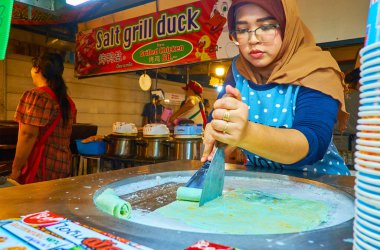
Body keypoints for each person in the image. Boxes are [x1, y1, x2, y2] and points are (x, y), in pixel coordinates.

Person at [201, 0, 350, 176]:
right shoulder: (238, 70)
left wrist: (247, 134)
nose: (253, 39)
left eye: (266, 27)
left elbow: (313, 142)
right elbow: (218, 127)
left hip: (321, 185)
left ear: (287, 26)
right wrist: (220, 135)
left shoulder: (317, 69)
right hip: (262, 187)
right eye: (242, 30)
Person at [10, 52, 77, 184]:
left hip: (42, 165)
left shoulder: (37, 95)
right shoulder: (67, 101)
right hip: (62, 164)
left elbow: (28, 135)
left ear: (37, 69)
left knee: (35, 204)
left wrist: (16, 169)